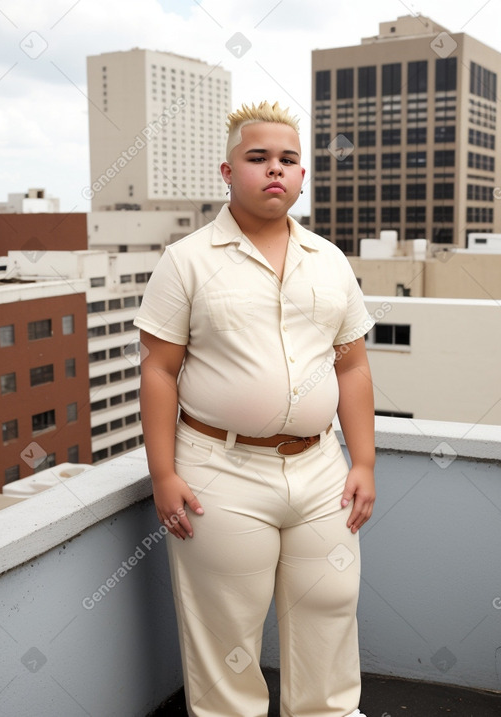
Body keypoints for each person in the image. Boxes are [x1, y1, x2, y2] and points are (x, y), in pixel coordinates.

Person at [135, 100, 375, 717]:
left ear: (301, 177)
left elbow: (352, 366)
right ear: (227, 170)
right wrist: (163, 475)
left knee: (331, 608)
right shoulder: (187, 259)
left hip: (322, 470)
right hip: (220, 471)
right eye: (258, 157)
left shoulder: (331, 260)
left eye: (289, 160)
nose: (276, 169)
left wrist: (364, 462)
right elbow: (159, 370)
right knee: (226, 632)